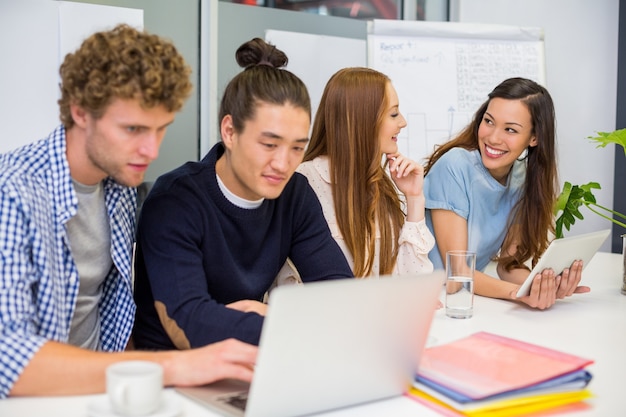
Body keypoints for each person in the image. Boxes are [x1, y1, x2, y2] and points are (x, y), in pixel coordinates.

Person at [0, 24, 257, 399]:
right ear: (80, 112)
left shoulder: (119, 187)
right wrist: (174, 366)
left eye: (160, 129)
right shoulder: (12, 190)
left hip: (101, 395)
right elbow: (8, 356)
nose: (151, 151)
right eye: (133, 129)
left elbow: (110, 320)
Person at [132, 38, 353, 350]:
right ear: (230, 132)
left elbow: (339, 294)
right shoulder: (175, 200)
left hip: (255, 357)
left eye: (297, 148)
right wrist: (287, 322)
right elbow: (191, 322)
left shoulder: (294, 193)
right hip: (176, 373)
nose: (283, 163)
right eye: (269, 144)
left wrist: (274, 317)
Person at [423, 77, 585, 310]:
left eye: (510, 129)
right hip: (430, 298)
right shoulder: (454, 165)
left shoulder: (523, 179)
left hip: (468, 300)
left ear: (534, 138)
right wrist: (518, 294)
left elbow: (508, 265)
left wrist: (542, 285)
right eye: (489, 121)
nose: (493, 137)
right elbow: (458, 271)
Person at [276, 67, 434, 283]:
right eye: (394, 114)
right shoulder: (303, 183)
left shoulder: (382, 184)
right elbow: (290, 286)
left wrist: (415, 198)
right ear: (363, 119)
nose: (403, 122)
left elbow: (413, 284)